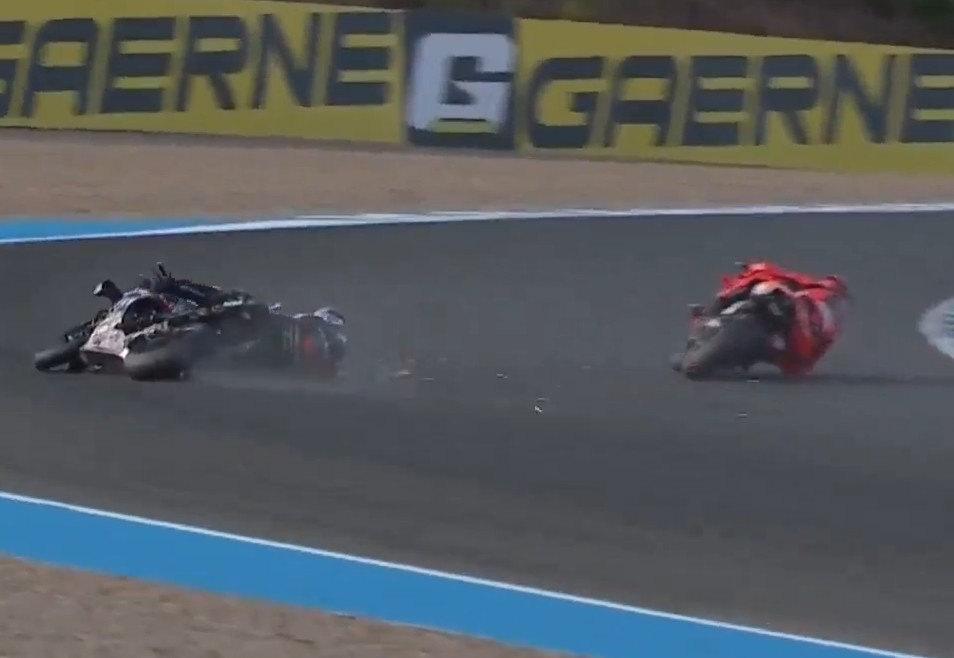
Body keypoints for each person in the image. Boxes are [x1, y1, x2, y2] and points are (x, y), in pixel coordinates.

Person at [696, 261, 849, 376]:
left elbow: (807, 358)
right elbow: (764, 270)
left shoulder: (827, 322)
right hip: (771, 305)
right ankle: (707, 320)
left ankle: (728, 357)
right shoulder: (808, 287)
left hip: (781, 336)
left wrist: (799, 363)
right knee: (733, 295)